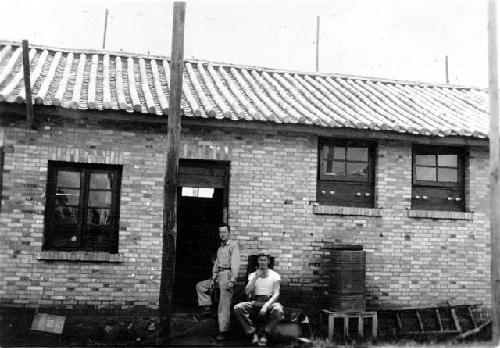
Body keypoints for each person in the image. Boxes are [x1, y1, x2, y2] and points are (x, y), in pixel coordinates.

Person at [195, 224, 240, 341]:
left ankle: (223, 332)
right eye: (220, 232)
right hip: (219, 275)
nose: (222, 234)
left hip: (227, 275)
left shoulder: (233, 246)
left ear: (229, 233)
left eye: (224, 232)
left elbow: (235, 264)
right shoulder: (220, 248)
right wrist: (213, 278)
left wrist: (232, 280)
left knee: (223, 305)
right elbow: (216, 265)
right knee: (200, 286)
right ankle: (207, 309)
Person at [233, 251, 284, 347]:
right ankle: (253, 334)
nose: (262, 262)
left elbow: (276, 294)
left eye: (264, 260)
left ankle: (265, 334)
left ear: (268, 261)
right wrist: (255, 277)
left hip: (269, 302)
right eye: (260, 260)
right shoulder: (253, 275)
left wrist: (266, 306)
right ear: (258, 261)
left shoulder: (275, 275)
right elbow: (247, 292)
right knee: (237, 308)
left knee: (279, 310)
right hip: (255, 301)